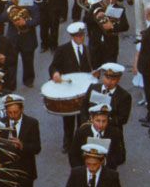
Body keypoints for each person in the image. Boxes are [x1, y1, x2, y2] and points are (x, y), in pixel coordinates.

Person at [50, 22, 93, 152]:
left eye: (82, 35)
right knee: (68, 119)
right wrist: (55, 73)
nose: (81, 38)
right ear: (72, 36)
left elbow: (91, 67)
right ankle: (67, 144)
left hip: (83, 89)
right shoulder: (62, 50)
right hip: (68, 89)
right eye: (78, 36)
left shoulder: (87, 49)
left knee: (83, 118)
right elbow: (53, 66)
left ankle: (80, 144)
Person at [2, 94, 41, 187]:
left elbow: (37, 148)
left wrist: (22, 146)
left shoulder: (32, 123)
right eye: (10, 112)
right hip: (7, 170)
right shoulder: (1, 124)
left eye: (16, 112)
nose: (13, 115)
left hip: (25, 171)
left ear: (22, 109)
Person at [69, 104, 126, 170]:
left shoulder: (115, 133)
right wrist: (81, 171)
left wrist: (105, 162)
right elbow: (73, 154)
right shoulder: (82, 132)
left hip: (106, 171)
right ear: (91, 119)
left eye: (104, 121)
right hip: (85, 170)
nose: (101, 125)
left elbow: (121, 157)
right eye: (98, 121)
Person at [80, 62, 132, 132]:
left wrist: (102, 123)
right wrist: (87, 122)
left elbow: (123, 119)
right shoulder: (93, 88)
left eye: (113, 79)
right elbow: (84, 107)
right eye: (107, 78)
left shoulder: (124, 96)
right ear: (103, 76)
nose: (109, 82)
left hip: (111, 130)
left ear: (118, 79)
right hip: (90, 128)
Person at [4, 0, 39, 88]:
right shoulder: (10, 4)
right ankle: (11, 84)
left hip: (28, 38)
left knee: (28, 61)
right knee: (11, 62)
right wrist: (11, 15)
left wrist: (25, 22)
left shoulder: (32, 5)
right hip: (13, 38)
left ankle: (28, 80)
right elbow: (2, 17)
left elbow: (37, 20)